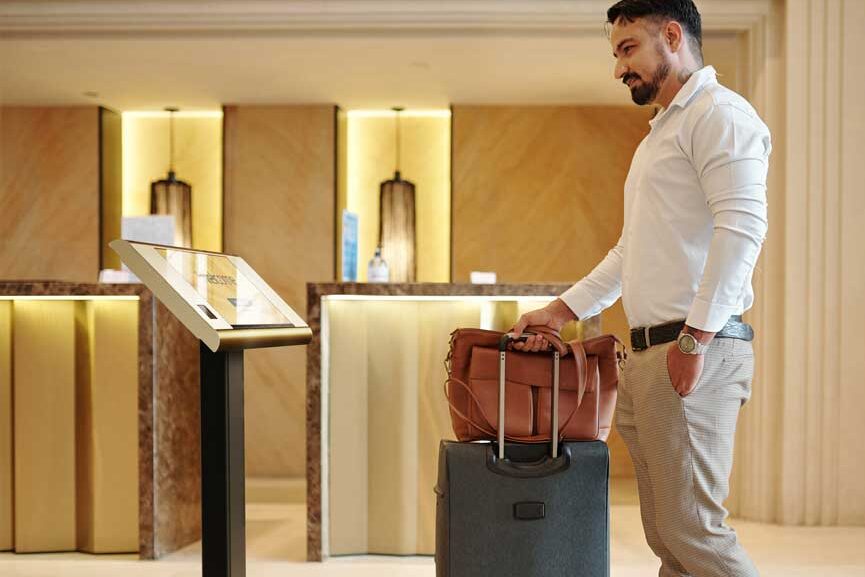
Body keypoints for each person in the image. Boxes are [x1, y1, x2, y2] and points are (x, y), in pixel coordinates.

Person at [512, 1, 770, 576]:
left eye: (628, 49)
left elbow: (742, 229)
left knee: (695, 531)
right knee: (667, 537)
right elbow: (630, 251)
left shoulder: (720, 115)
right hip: (653, 352)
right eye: (616, 54)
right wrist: (560, 311)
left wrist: (695, 340)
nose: (618, 69)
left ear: (672, 36)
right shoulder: (660, 135)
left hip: (692, 348)